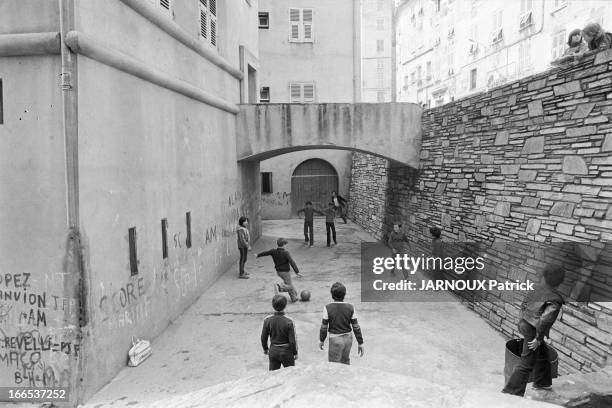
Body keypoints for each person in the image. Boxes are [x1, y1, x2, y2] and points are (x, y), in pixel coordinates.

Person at [502, 266, 566, 397]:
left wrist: (523, 320)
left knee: (542, 354)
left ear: (545, 277)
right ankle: (510, 394)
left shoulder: (536, 288)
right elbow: (545, 321)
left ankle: (542, 383)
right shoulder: (555, 298)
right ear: (560, 282)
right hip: (534, 330)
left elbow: (524, 304)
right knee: (526, 363)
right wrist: (538, 338)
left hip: (524, 323)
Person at [319, 282, 364, 365]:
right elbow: (356, 327)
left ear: (332, 295)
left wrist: (322, 340)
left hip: (335, 339)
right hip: (348, 339)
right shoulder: (351, 307)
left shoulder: (327, 308)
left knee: (334, 365)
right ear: (344, 294)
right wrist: (360, 343)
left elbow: (324, 327)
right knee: (346, 362)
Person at [257, 238, 303, 302]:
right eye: (285, 244)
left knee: (289, 283)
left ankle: (294, 297)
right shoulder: (286, 253)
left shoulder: (273, 251)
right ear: (283, 244)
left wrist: (258, 255)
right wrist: (297, 272)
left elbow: (265, 253)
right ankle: (279, 287)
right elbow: (292, 262)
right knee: (289, 286)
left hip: (278, 272)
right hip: (285, 272)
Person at [261, 295, 298, 371]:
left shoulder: (267, 320)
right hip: (287, 352)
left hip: (273, 351)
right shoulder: (289, 321)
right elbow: (292, 341)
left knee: (273, 376)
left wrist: (265, 349)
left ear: (272, 305)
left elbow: (263, 338)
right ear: (285, 306)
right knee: (290, 375)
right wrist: (295, 352)